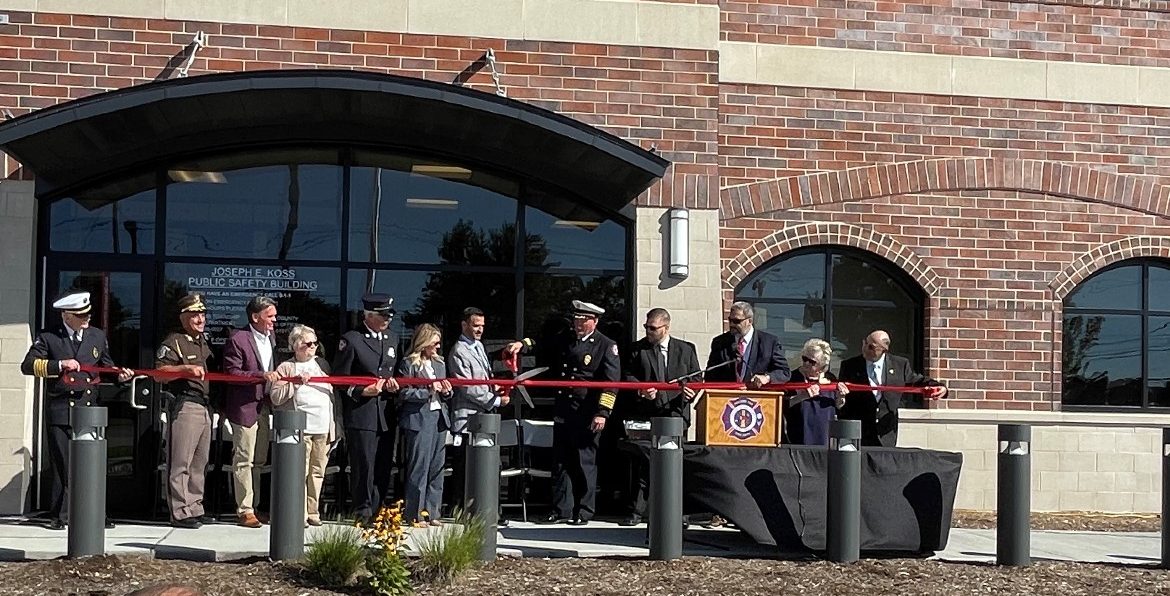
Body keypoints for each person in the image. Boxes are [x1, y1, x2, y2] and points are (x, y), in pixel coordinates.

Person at [21, 290, 132, 530]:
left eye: (88, 314)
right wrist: (59, 364)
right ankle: (61, 515)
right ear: (66, 315)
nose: (87, 319)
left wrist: (120, 377)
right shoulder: (49, 337)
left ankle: (95, 514)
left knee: (90, 464)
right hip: (62, 409)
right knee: (66, 465)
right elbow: (28, 366)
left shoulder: (96, 336)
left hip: (88, 410)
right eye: (81, 315)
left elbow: (106, 367)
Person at [619, 307, 700, 526]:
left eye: (653, 328)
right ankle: (636, 512)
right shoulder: (638, 350)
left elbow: (696, 377)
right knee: (643, 464)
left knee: (675, 464)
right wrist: (641, 389)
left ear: (666, 327)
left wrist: (690, 391)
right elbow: (627, 376)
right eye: (647, 327)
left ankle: (678, 513)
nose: (649, 332)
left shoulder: (685, 349)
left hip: (675, 416)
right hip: (646, 415)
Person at [543, 300, 620, 526]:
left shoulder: (605, 345)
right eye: (575, 319)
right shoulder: (566, 339)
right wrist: (523, 344)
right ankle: (561, 509)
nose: (577, 324)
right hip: (564, 410)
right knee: (560, 461)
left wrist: (603, 412)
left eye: (582, 320)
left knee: (584, 462)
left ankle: (584, 510)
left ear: (594, 321)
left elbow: (611, 383)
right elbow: (544, 345)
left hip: (587, 412)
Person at [446, 307, 530, 515]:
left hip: (483, 419)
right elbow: (468, 386)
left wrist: (498, 388)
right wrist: (495, 399)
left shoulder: (479, 347)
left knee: (484, 467)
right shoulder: (459, 350)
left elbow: (484, 379)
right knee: (465, 468)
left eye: (482, 326)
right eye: (476, 326)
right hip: (467, 420)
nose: (480, 330)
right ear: (464, 325)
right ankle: (459, 511)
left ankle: (483, 510)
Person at [332, 293, 401, 523]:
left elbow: (396, 372)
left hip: (385, 412)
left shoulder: (392, 339)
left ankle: (379, 510)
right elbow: (339, 379)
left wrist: (395, 386)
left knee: (383, 464)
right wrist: (361, 391)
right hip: (362, 413)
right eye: (382, 315)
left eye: (389, 315)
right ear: (368, 315)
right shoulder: (352, 340)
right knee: (364, 464)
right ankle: (362, 511)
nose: (387, 320)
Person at [155, 293, 214, 529]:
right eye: (195, 315)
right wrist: (185, 369)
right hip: (185, 404)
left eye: (202, 314)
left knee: (200, 461)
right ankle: (179, 511)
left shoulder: (202, 341)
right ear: (183, 317)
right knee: (181, 461)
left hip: (204, 404)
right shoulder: (174, 342)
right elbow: (160, 372)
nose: (200, 319)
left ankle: (195, 507)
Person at [221, 295, 280, 528]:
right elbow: (231, 373)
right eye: (270, 316)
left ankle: (255, 506)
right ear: (255, 317)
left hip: (264, 406)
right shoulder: (238, 339)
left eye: (275, 316)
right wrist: (260, 376)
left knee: (259, 459)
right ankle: (244, 509)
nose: (274, 321)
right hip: (244, 407)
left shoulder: (271, 338)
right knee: (243, 459)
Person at [268, 324, 334, 527]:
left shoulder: (322, 364)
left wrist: (335, 425)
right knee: (299, 472)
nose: (313, 347)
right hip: (300, 427)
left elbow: (332, 396)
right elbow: (276, 397)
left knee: (318, 472)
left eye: (315, 343)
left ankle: (313, 511)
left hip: (322, 426)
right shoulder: (287, 367)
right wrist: (294, 383)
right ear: (296, 346)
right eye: (308, 344)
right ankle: (299, 512)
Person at [838, 330, 948, 447]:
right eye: (865, 343)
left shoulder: (900, 364)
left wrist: (940, 387)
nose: (865, 348)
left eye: (871, 347)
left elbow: (917, 381)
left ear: (884, 349)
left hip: (886, 434)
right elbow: (842, 399)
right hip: (858, 433)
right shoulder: (849, 366)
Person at [395, 323, 453, 527]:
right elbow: (403, 393)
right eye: (434, 343)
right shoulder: (408, 364)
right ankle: (415, 514)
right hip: (419, 419)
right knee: (419, 467)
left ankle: (433, 512)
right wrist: (427, 390)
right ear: (425, 342)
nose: (437, 347)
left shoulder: (440, 364)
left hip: (439, 418)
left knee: (437, 467)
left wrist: (446, 391)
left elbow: (447, 392)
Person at [705, 301, 790, 388]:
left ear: (749, 321)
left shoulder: (769, 343)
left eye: (736, 321)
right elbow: (710, 375)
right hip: (727, 398)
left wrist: (767, 378)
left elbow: (783, 372)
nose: (731, 324)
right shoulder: (720, 342)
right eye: (730, 320)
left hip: (758, 398)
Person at [783, 338, 849, 446]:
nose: (806, 363)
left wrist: (841, 397)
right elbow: (783, 405)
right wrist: (802, 396)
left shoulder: (831, 379)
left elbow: (838, 407)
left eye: (812, 362)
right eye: (804, 358)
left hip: (825, 435)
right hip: (799, 435)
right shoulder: (793, 378)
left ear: (822, 366)